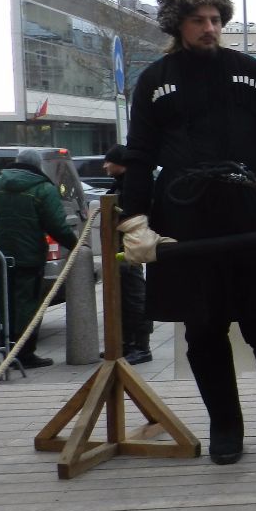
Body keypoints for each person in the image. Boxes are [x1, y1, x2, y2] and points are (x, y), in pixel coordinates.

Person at [118, 0, 256, 466]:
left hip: (247, 208)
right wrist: (135, 221)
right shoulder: (154, 80)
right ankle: (225, 427)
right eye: (199, 20)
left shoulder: (250, 71)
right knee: (204, 332)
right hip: (185, 216)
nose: (210, 28)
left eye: (215, 19)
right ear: (179, 24)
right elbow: (140, 156)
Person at [0, 147, 80, 368]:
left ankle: (3, 349)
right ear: (37, 165)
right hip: (29, 256)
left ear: (16, 162)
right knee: (28, 304)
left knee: (1, 301)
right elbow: (56, 225)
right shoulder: (43, 189)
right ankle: (24, 353)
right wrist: (76, 245)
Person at [102, 145, 153, 365]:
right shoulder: (120, 185)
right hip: (119, 249)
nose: (104, 166)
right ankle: (124, 344)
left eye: (108, 161)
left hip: (130, 249)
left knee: (134, 297)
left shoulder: (134, 186)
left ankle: (140, 346)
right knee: (120, 297)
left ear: (119, 163)